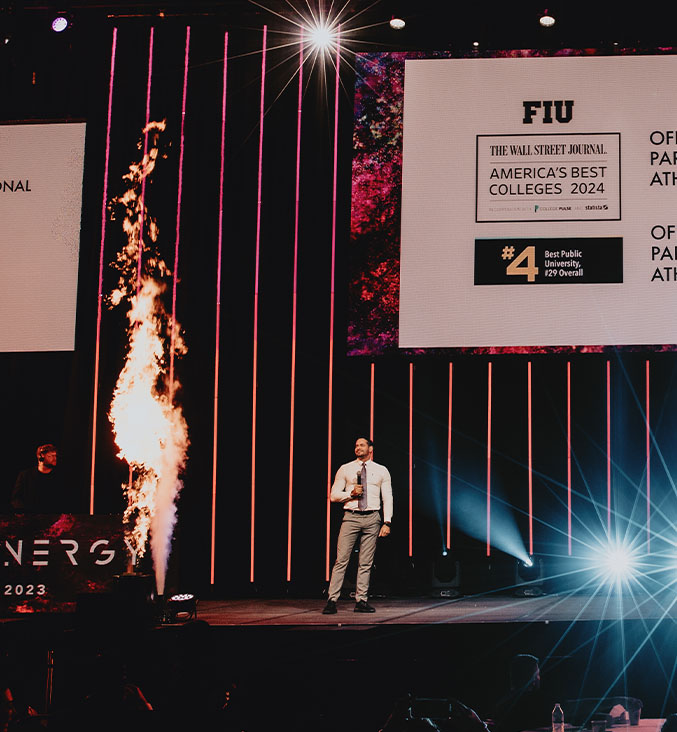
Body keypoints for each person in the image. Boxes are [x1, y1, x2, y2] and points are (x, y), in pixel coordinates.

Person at [323, 437, 392, 614]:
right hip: (351, 516)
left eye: (361, 445)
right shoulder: (345, 468)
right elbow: (333, 496)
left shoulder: (381, 470)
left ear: (370, 449)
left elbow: (387, 497)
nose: (357, 448)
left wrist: (387, 521)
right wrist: (350, 493)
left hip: (372, 517)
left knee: (366, 562)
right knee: (341, 559)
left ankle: (361, 600)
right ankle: (332, 600)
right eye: (355, 445)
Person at [10, 443, 62, 513]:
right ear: (41, 456)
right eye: (51, 456)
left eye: (55, 456)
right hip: (29, 518)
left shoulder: (59, 476)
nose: (54, 459)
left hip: (53, 518)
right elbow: (16, 498)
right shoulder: (25, 475)